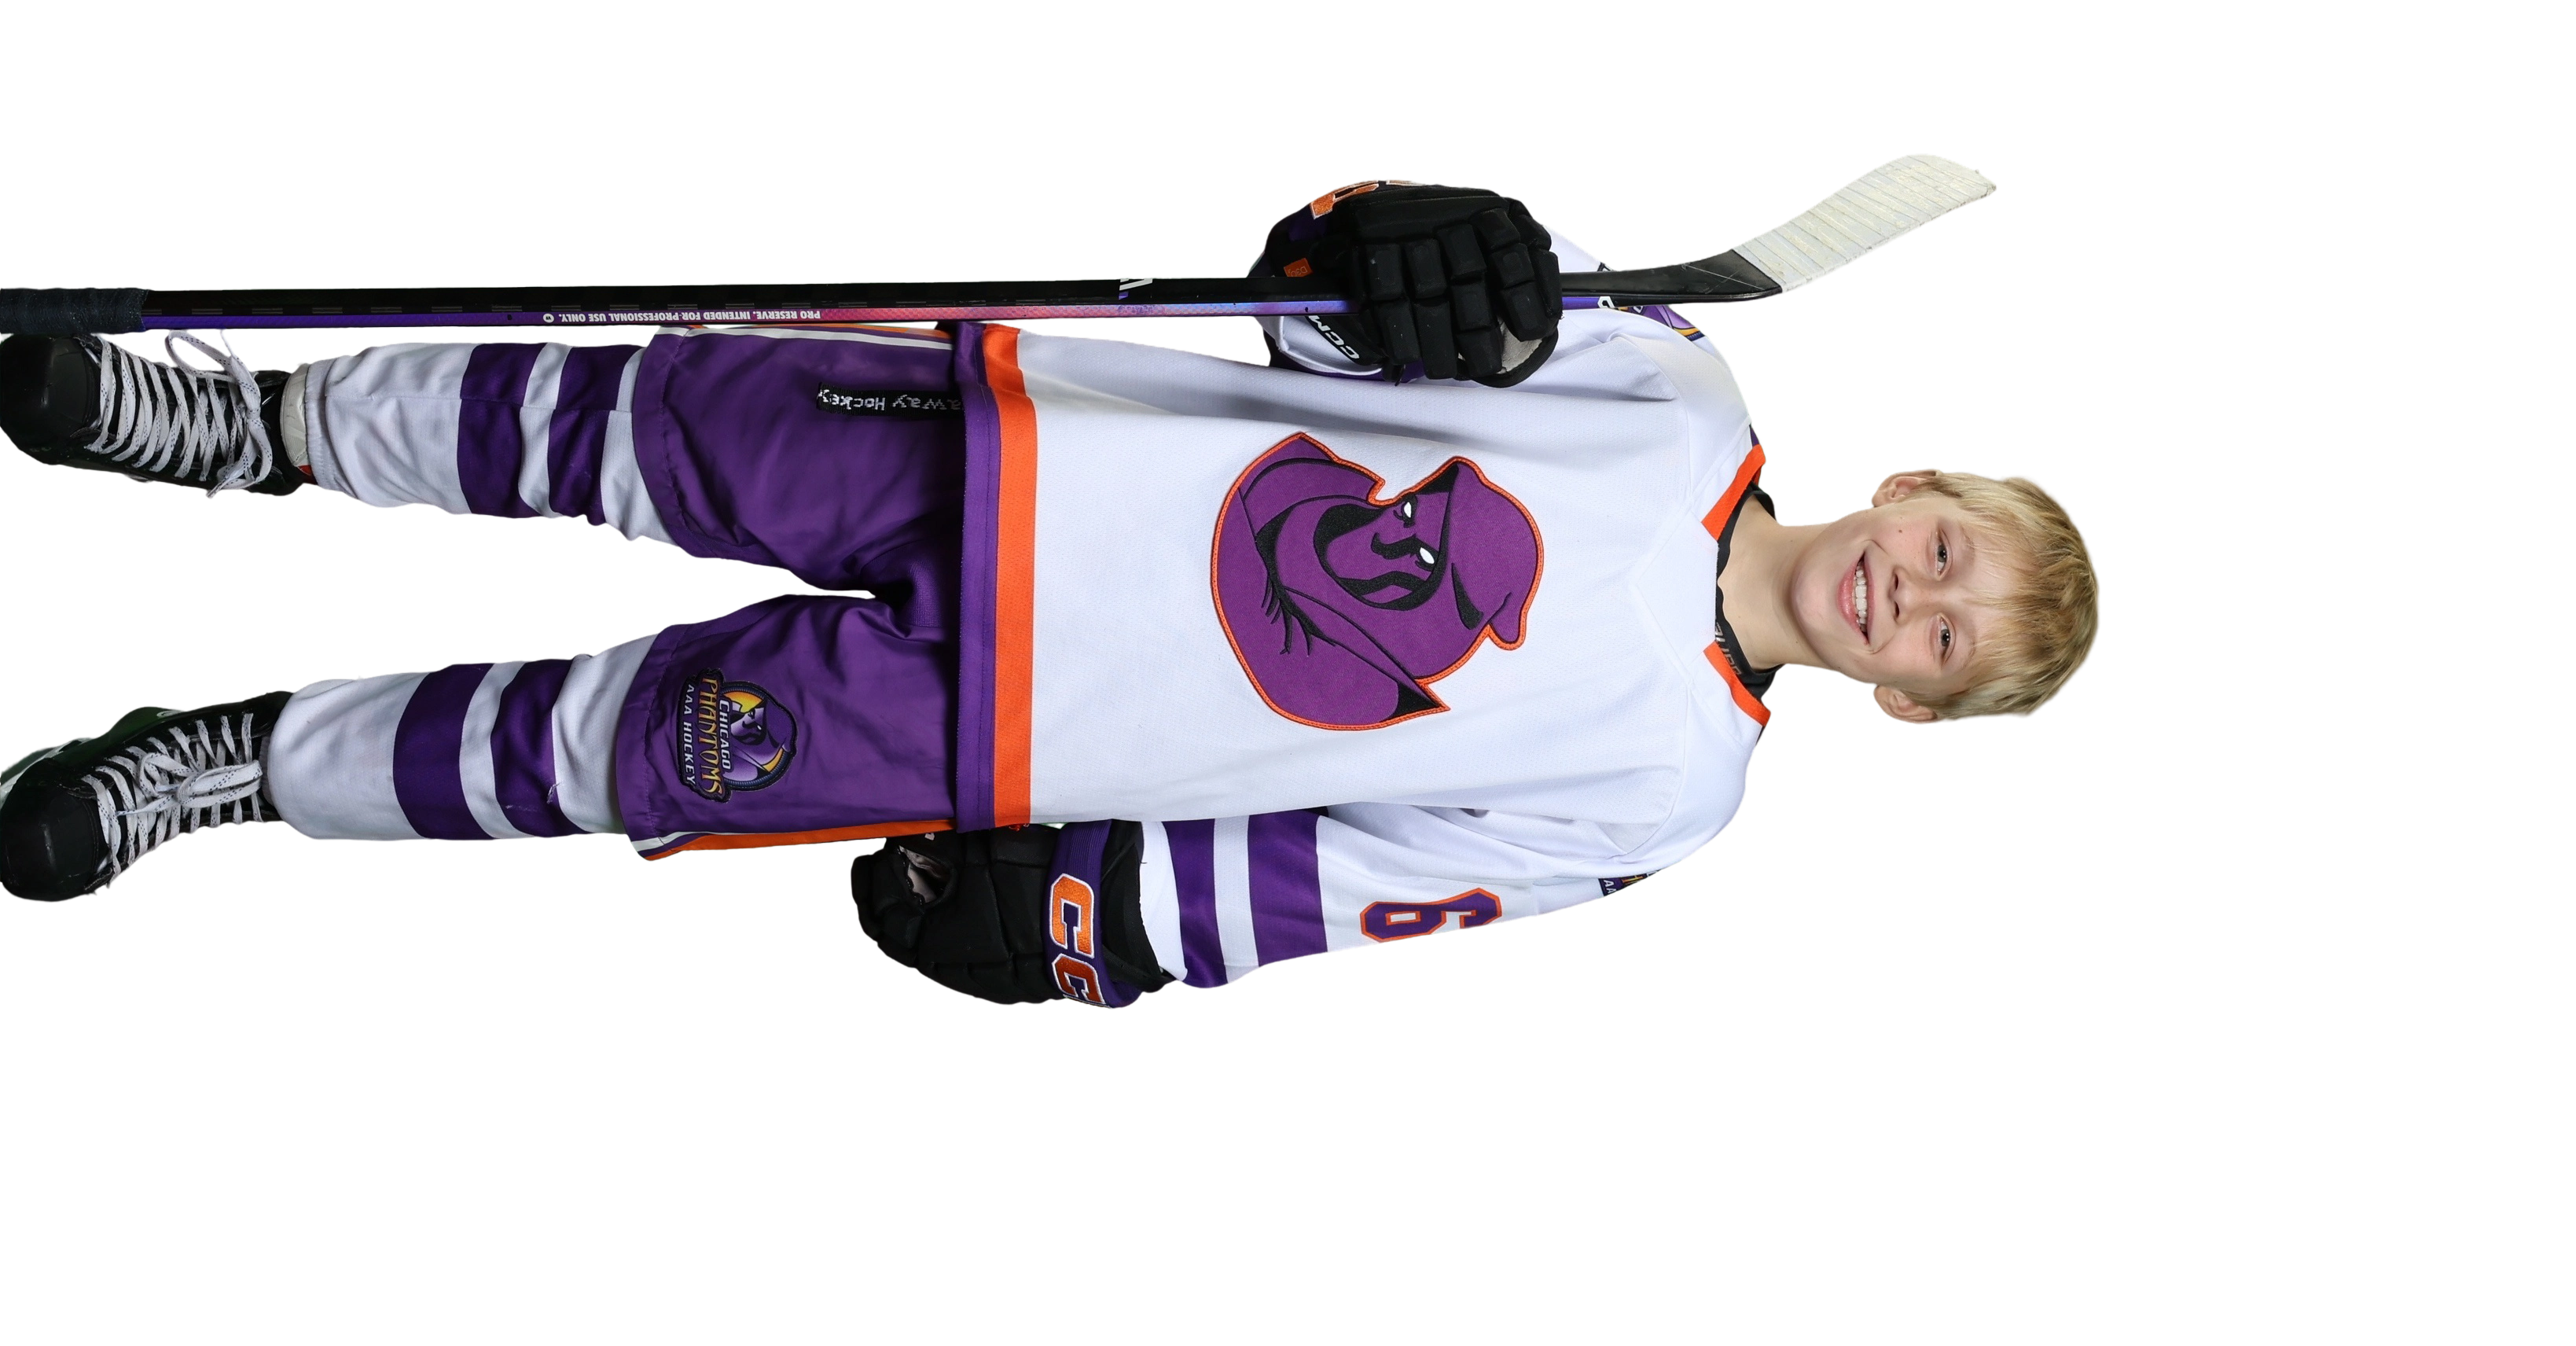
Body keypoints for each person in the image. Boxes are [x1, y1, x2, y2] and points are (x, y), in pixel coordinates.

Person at [0, 185, 2098, 1003]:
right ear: (1916, 485)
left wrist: (1106, 924)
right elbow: (1343, 309)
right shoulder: (1668, 383)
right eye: (1948, 552)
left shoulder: (1668, 795)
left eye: (1942, 641)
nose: (1907, 597)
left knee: (586, 758)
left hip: (1003, 727)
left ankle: (230, 766)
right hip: (1022, 443)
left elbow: (1358, 873)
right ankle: (255, 423)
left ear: (1910, 708)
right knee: (618, 425)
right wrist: (1421, 241)